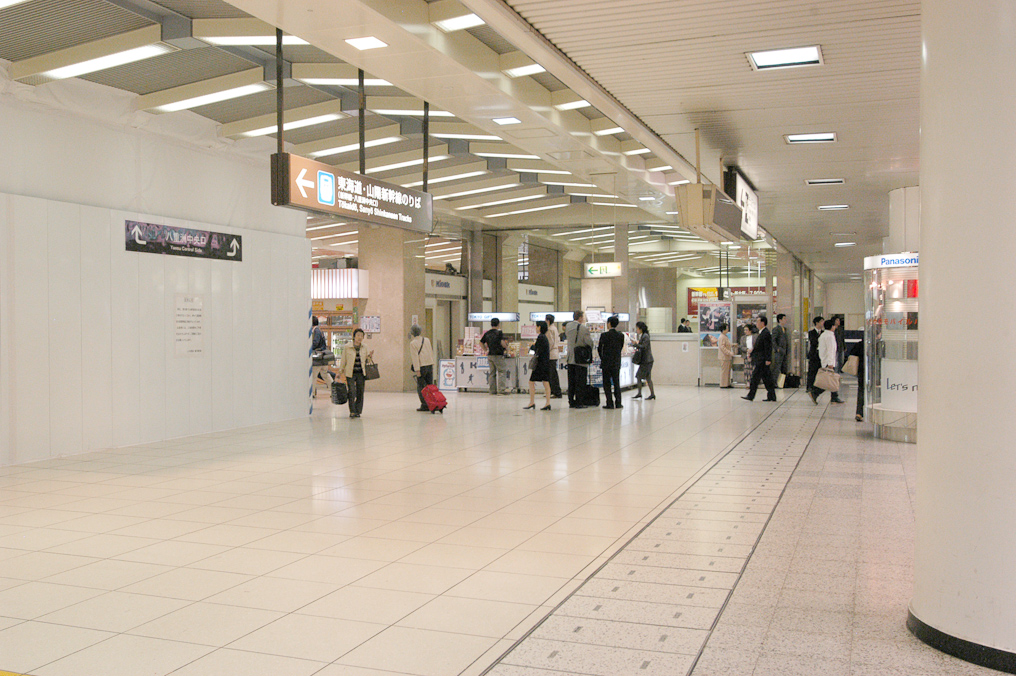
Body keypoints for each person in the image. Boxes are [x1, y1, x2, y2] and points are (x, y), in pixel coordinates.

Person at [337, 328, 372, 418]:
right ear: (354, 337)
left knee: (360, 392)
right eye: (358, 335)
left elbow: (367, 360)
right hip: (350, 373)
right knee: (352, 391)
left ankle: (358, 411)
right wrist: (340, 372)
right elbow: (343, 360)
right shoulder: (347, 347)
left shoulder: (365, 347)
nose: (360, 337)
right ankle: (352, 411)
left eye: (361, 336)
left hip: (361, 373)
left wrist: (370, 357)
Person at [742, 315, 777, 402]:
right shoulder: (761, 333)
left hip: (762, 360)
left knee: (755, 378)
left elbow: (768, 347)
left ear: (762, 323)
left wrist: (768, 359)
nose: (756, 323)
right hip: (760, 360)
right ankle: (771, 396)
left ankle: (751, 395)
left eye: (758, 321)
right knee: (767, 379)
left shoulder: (766, 333)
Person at [565, 311, 594, 409]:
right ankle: (579, 401)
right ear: (580, 318)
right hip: (580, 359)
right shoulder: (583, 328)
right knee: (580, 381)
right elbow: (589, 342)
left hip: (570, 358)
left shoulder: (568, 326)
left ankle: (571, 401)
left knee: (571, 381)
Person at [811, 318, 844, 404]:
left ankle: (834, 396)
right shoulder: (829, 336)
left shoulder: (824, 335)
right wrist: (830, 363)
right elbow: (830, 350)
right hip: (828, 362)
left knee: (831, 379)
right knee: (827, 380)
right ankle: (815, 392)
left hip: (825, 360)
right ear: (832, 326)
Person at [597, 315, 625, 409]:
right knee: (616, 382)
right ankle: (618, 402)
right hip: (616, 362)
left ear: (609, 323)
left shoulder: (604, 335)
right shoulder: (621, 335)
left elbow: (599, 348)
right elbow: (620, 347)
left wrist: (603, 358)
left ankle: (609, 402)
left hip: (606, 362)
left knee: (607, 383)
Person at [524, 321, 553, 411]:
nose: (536, 328)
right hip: (545, 363)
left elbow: (537, 350)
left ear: (539, 327)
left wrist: (532, 346)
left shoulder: (540, 337)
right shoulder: (544, 337)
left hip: (540, 364)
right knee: (546, 382)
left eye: (536, 326)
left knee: (531, 382)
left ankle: (532, 402)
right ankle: (548, 403)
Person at [480, 318, 509, 395]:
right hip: (498, 355)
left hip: (490, 355)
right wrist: (506, 347)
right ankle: (501, 390)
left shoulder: (487, 333)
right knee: (501, 372)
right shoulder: (499, 333)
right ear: (498, 324)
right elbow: (502, 342)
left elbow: (481, 342)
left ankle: (492, 390)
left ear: (491, 324)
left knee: (492, 373)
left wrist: (486, 350)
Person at [409, 324, 435, 412]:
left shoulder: (413, 343)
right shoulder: (426, 340)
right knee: (429, 386)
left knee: (421, 387)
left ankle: (424, 405)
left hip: (421, 367)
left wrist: (417, 370)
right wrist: (432, 362)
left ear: (412, 333)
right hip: (429, 365)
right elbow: (430, 352)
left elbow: (415, 357)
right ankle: (432, 403)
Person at [311, 316, 333, 395]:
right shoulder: (320, 330)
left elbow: (315, 343)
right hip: (323, 357)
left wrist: (309, 348)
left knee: (313, 376)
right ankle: (334, 390)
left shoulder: (316, 331)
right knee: (325, 374)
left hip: (318, 358)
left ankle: (312, 393)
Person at [633, 321, 655, 400]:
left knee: (638, 376)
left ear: (640, 328)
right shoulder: (644, 335)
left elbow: (644, 346)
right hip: (648, 360)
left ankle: (640, 393)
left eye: (637, 328)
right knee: (648, 378)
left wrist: (636, 345)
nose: (637, 330)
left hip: (646, 361)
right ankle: (652, 394)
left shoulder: (645, 336)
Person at [545, 314, 563, 399]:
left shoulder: (549, 329)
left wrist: (546, 351)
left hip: (551, 354)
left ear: (548, 321)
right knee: (552, 374)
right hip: (554, 353)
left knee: (552, 374)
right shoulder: (555, 328)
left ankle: (556, 392)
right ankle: (552, 391)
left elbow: (550, 343)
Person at [806, 316, 824, 392]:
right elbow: (813, 342)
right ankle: (809, 387)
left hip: (821, 355)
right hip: (813, 354)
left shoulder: (824, 333)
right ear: (817, 323)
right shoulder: (811, 332)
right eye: (821, 321)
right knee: (812, 371)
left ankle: (818, 387)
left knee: (820, 372)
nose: (823, 323)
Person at [850, 336, 865, 421]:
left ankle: (859, 413)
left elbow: (852, 354)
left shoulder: (859, 344)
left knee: (861, 390)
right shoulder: (877, 345)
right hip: (874, 372)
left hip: (861, 370)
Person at [771, 313, 790, 380]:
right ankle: (774, 381)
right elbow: (773, 340)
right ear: (780, 320)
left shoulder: (785, 329)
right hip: (779, 351)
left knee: (784, 367)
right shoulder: (776, 329)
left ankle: (782, 382)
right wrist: (777, 348)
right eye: (784, 318)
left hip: (785, 351)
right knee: (777, 367)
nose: (785, 320)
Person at [717, 321, 735, 388]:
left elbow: (727, 345)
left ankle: (727, 383)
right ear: (723, 329)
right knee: (724, 371)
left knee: (727, 371)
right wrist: (729, 353)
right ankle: (723, 384)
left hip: (727, 357)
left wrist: (732, 345)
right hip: (724, 357)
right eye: (727, 328)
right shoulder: (722, 337)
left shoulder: (725, 336)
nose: (728, 329)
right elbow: (722, 347)